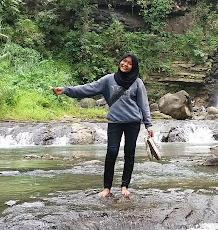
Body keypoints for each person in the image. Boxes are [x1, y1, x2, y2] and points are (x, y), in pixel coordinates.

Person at [53, 53, 153, 198]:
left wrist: (148, 125)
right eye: (123, 61)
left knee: (129, 153)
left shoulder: (137, 83)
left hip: (133, 123)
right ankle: (107, 188)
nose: (125, 64)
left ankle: (124, 186)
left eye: (129, 63)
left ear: (134, 67)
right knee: (111, 153)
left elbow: (144, 105)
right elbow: (88, 88)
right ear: (120, 62)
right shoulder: (108, 80)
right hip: (114, 122)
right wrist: (66, 90)